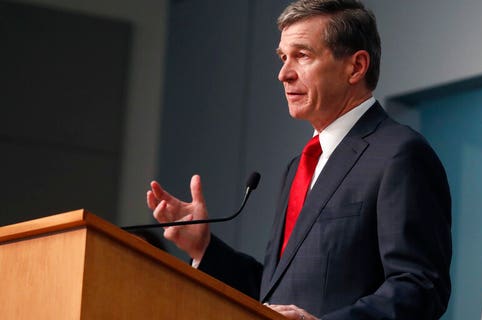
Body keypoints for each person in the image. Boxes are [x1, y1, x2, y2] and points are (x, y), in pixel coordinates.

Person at [147, 0, 452, 319]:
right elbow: (276, 294)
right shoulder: (298, 167)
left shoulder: (399, 153)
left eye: (302, 56)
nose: (283, 74)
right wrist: (204, 247)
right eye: (283, 58)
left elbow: (419, 287)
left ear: (356, 66)